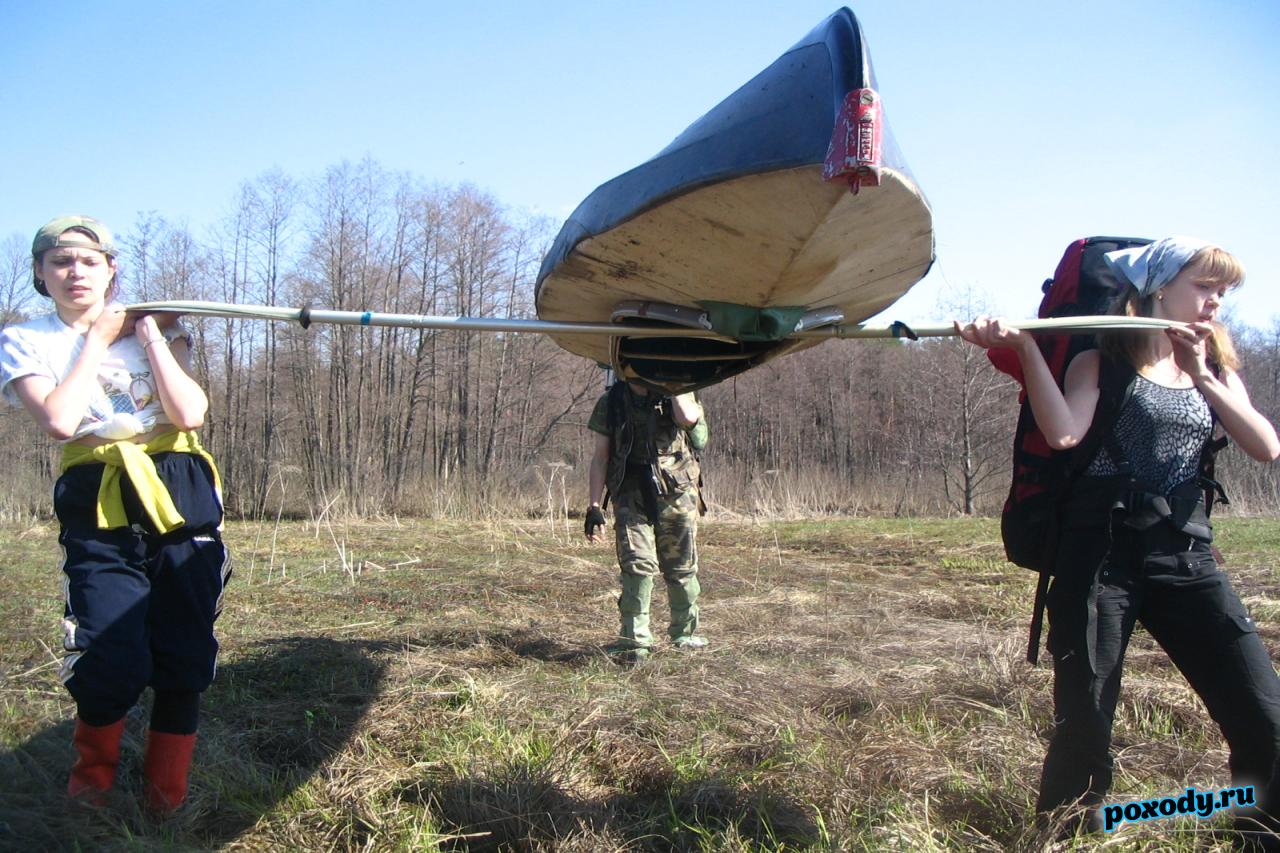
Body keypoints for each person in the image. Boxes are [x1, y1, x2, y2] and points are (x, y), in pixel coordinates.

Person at [957, 237, 1280, 844]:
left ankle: (1262, 836)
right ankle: (1066, 838)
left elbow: (1266, 447)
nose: (1215, 302)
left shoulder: (1215, 363)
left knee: (1266, 718)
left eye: (1223, 291)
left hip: (1184, 555)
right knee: (1085, 724)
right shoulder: (1100, 359)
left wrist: (1202, 375)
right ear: (1159, 289)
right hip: (1099, 559)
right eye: (1204, 287)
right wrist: (1026, 348)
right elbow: (1062, 434)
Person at [0, 216, 230, 813]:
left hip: (176, 484)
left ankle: (164, 802)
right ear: (40, 273)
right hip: (96, 488)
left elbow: (187, 414)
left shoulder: (159, 324)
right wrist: (98, 340)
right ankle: (90, 794)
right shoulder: (26, 339)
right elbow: (58, 420)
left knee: (184, 645)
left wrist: (152, 337)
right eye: (60, 261)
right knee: (110, 649)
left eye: (88, 260)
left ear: (111, 269)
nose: (75, 272)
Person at [585, 378, 708, 661]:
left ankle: (684, 633)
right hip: (630, 492)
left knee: (681, 567)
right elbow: (600, 458)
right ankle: (634, 640)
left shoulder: (682, 393)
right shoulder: (612, 401)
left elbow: (696, 432)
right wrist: (594, 506)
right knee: (637, 564)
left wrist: (674, 388)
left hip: (676, 493)